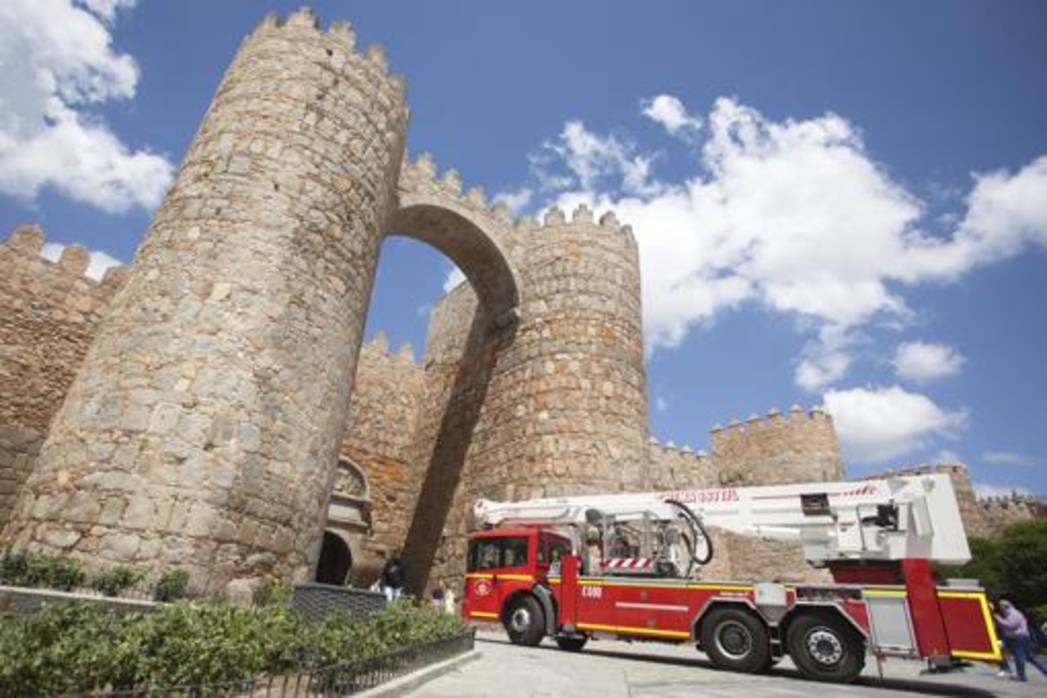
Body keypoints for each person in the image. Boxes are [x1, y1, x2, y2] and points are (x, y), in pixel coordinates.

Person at [993, 598, 1047, 682]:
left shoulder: (1014, 613)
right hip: (1021, 637)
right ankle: (1044, 671)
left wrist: (998, 618)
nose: (1000, 609)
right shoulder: (1010, 614)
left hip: (1020, 637)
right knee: (1030, 657)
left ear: (1005, 607)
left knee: (1019, 656)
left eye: (1001, 607)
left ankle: (1021, 676)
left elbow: (1011, 625)